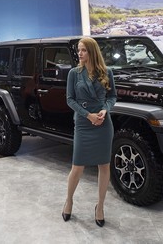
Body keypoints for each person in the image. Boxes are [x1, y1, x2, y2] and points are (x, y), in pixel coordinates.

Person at [62, 37, 117, 227]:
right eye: (79, 50)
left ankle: (100, 206)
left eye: (83, 50)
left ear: (92, 51)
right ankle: (69, 200)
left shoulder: (107, 72)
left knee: (104, 166)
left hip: (103, 124)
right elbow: (70, 100)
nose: (80, 53)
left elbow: (112, 96)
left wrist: (105, 109)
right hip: (84, 124)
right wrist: (88, 115)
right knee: (77, 167)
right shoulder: (74, 73)